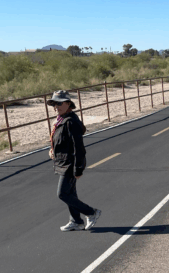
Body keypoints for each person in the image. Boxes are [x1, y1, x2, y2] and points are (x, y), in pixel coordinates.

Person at [47, 90, 101, 232]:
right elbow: (61, 140)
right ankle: (76, 221)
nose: (56, 107)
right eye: (54, 103)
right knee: (70, 194)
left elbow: (79, 148)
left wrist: (78, 169)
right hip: (62, 162)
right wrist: (53, 149)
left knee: (62, 194)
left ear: (68, 104)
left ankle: (91, 212)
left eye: (59, 103)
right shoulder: (61, 120)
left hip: (70, 164)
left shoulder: (71, 122)